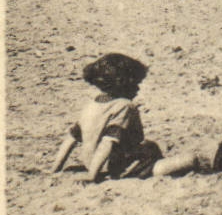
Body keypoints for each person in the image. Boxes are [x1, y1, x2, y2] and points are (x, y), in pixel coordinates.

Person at [51, 53, 162, 183]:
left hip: (92, 164)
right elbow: (108, 142)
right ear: (124, 83)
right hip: (117, 167)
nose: (138, 89)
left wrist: (55, 168)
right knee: (161, 152)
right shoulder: (124, 106)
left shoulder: (91, 105)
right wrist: (91, 176)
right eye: (136, 83)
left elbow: (71, 139)